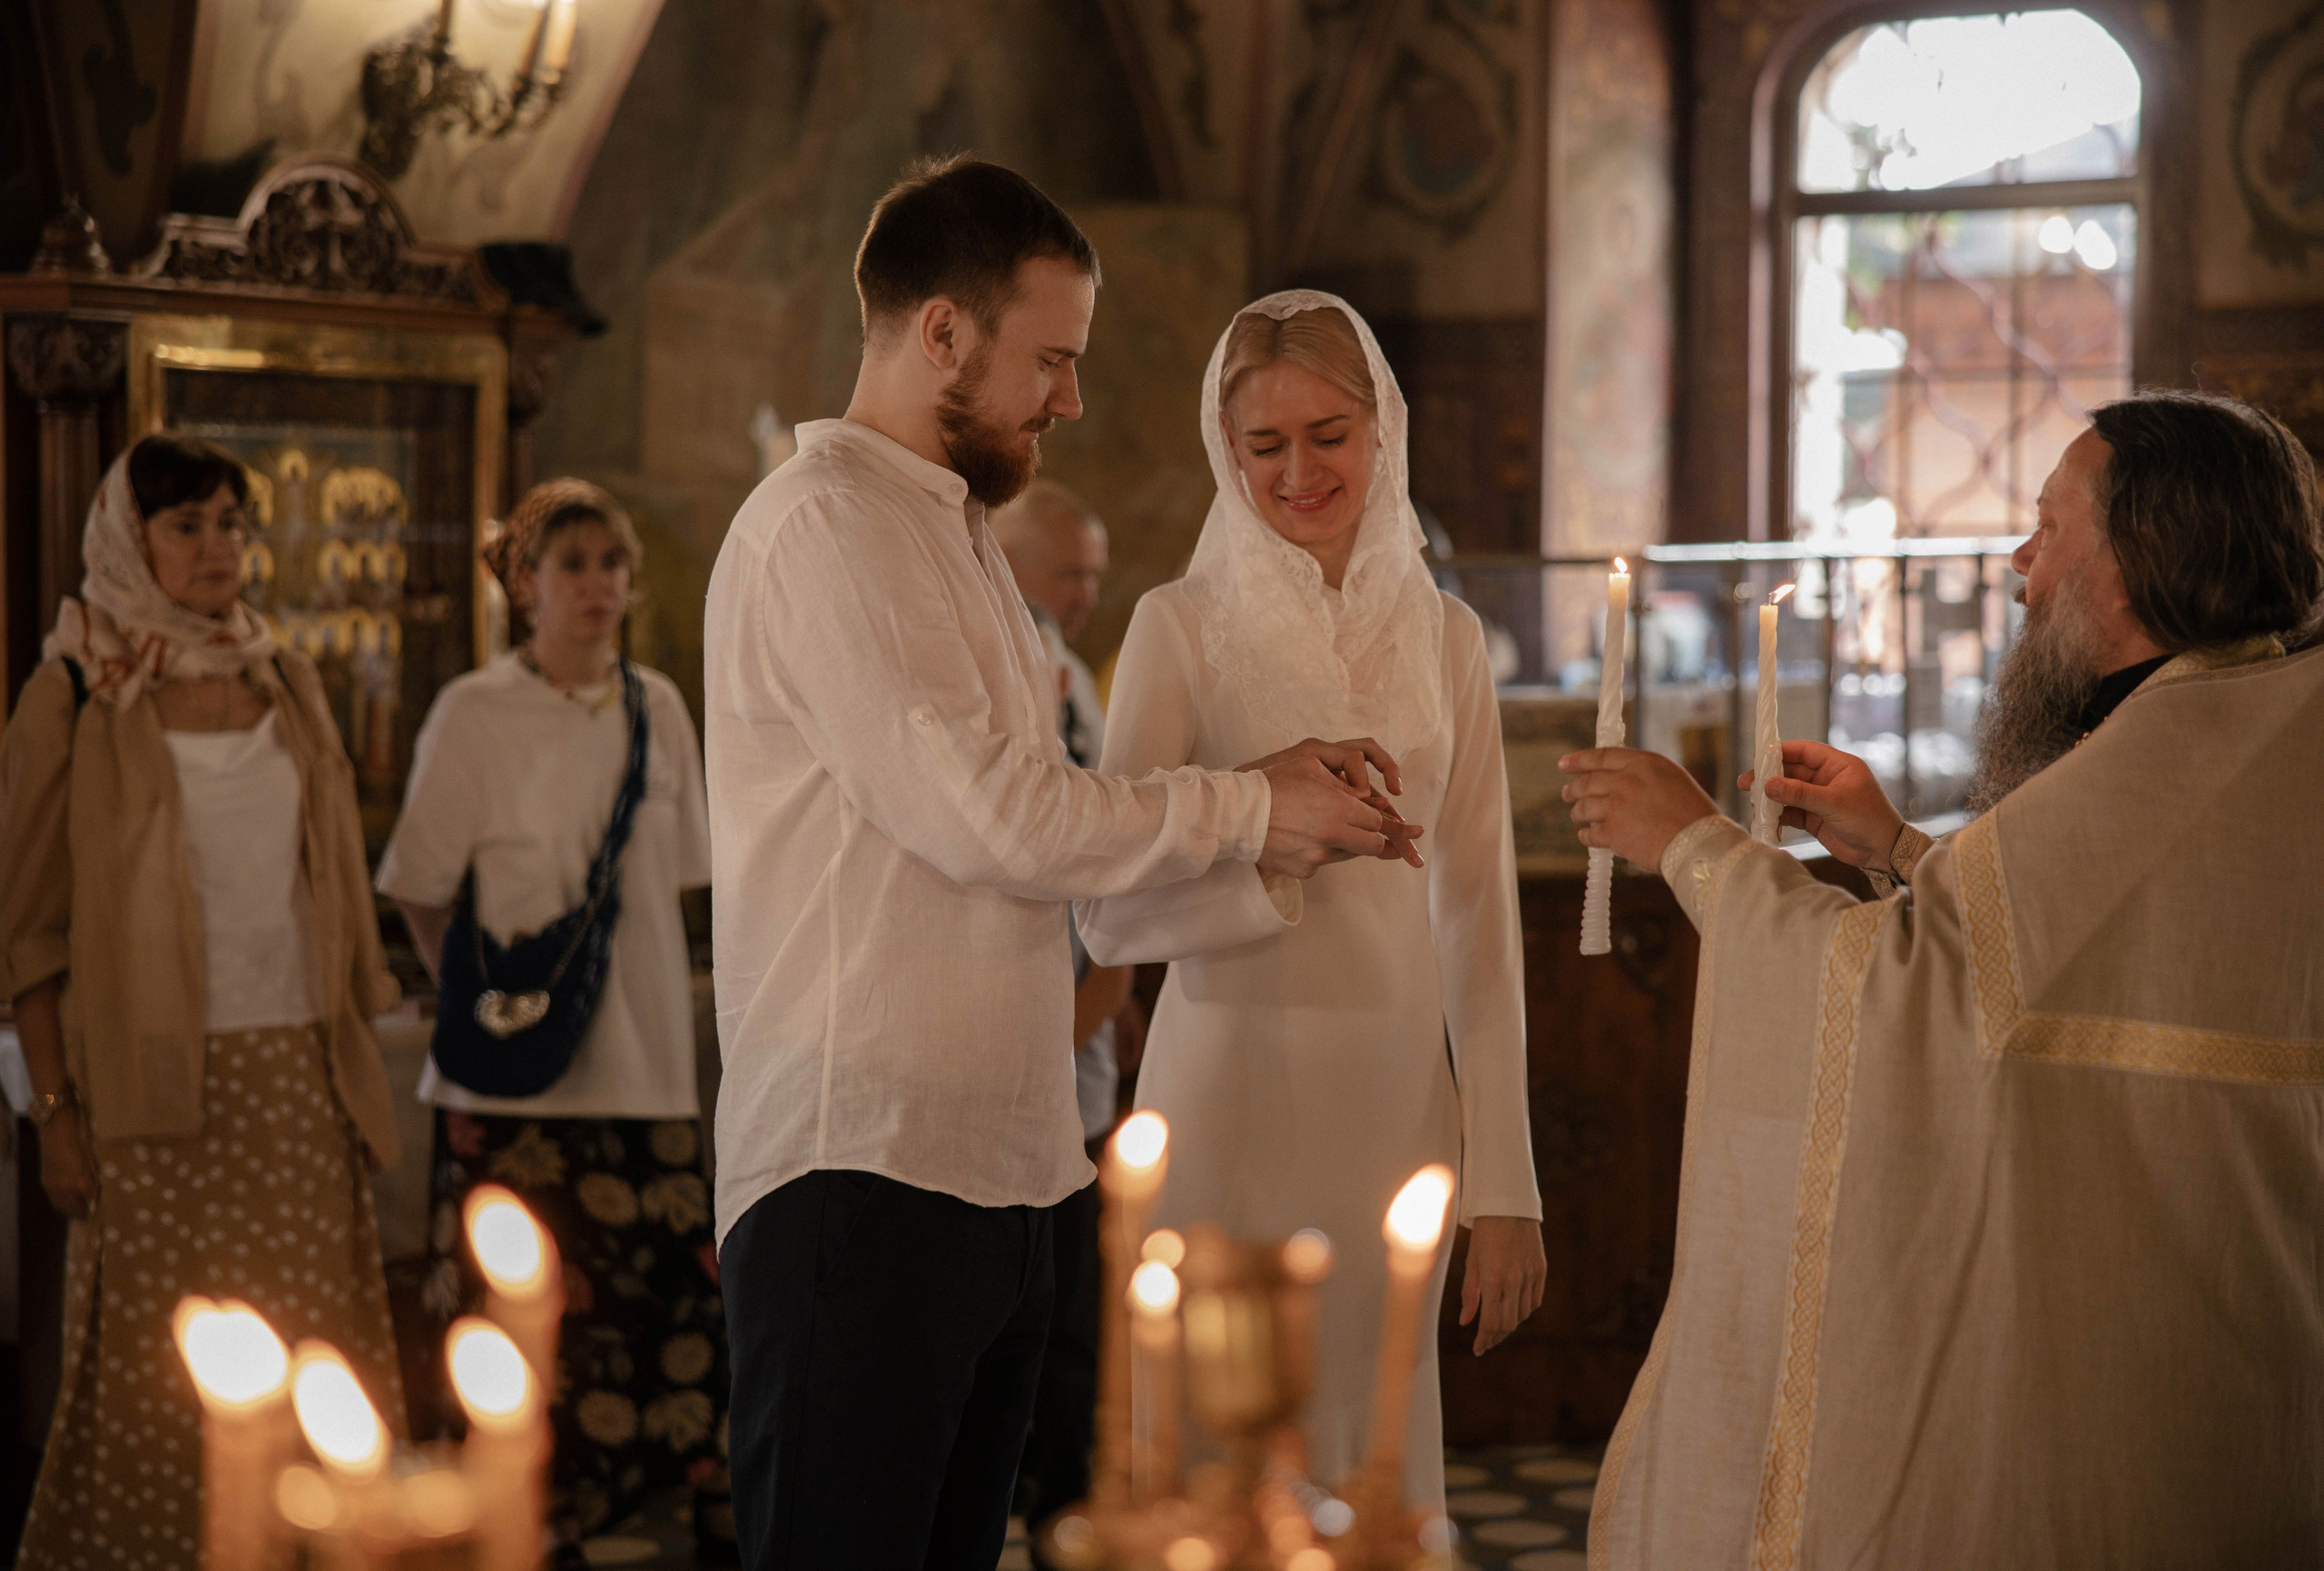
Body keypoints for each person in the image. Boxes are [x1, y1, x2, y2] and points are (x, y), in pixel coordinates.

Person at [704, 158, 1417, 1571]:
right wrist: (1247, 803)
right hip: (866, 1168)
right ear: (945, 334)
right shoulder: (821, 527)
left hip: (1008, 1168)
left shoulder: (953, 531)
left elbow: (1061, 850)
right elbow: (999, 818)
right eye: (1054, 359)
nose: (1072, 400)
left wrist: (1278, 831)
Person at [1559, 390, 2324, 1569]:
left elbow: (1893, 1001)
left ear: (2135, 563)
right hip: (2244, 1381)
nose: (2021, 564)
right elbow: (2064, 971)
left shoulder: (2155, 760)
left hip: (2118, 1419)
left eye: (2048, 527)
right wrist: (1902, 849)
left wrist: (1693, 844)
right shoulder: (2256, 725)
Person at [1075, 291, 1547, 1513]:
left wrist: (1506, 1183)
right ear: (1223, 451)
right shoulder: (1176, 629)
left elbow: (1482, 928)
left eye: (1328, 434)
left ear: (1384, 425)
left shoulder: (1448, 639)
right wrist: (1274, 854)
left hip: (1394, 1114)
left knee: (1372, 1450)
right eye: (1263, 444)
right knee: (1211, 1467)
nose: (1298, 471)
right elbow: (1109, 916)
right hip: (1224, 1096)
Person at [1, 435, 404, 1571]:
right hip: (148, 1089)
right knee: (161, 1377)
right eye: (188, 525)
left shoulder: (286, 673)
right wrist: (57, 1113)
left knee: (316, 1361)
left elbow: (329, 883)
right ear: (131, 543)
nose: (220, 546)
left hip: (293, 1080)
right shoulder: (75, 687)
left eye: (233, 522)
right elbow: (25, 932)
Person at [379, 479, 728, 1562]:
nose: (597, 585)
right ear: (522, 581)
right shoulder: (475, 711)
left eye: (613, 564)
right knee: (509, 1316)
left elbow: (690, 876)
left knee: (655, 1321)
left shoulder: (656, 703)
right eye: (572, 563)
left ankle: (652, 1517)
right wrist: (487, 1009)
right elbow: (420, 884)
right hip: (510, 1082)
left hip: (643, 1061)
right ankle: (517, 1519)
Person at [990, 480, 1138, 1548]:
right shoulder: (1009, 654)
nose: (1087, 593)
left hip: (1077, 1025)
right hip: (1013, 1035)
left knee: (1073, 1306)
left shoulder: (1075, 670)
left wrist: (1110, 993)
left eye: (1094, 572)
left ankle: (1064, 1509)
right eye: (1071, 571)